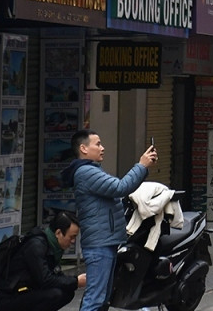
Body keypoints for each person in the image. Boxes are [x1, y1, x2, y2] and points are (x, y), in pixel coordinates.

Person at [61, 130, 156, 311]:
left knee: (102, 298)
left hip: (105, 241)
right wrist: (141, 165)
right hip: (99, 245)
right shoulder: (86, 172)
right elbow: (119, 187)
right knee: (95, 299)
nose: (102, 148)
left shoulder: (92, 170)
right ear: (83, 148)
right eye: (97, 144)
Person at [0, 212, 85, 311]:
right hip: (10, 298)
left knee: (67, 291)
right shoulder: (36, 246)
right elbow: (46, 280)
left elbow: (54, 276)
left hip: (28, 291)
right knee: (55, 294)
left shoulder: (52, 246)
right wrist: (76, 281)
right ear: (58, 233)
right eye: (71, 237)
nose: (73, 241)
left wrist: (73, 282)